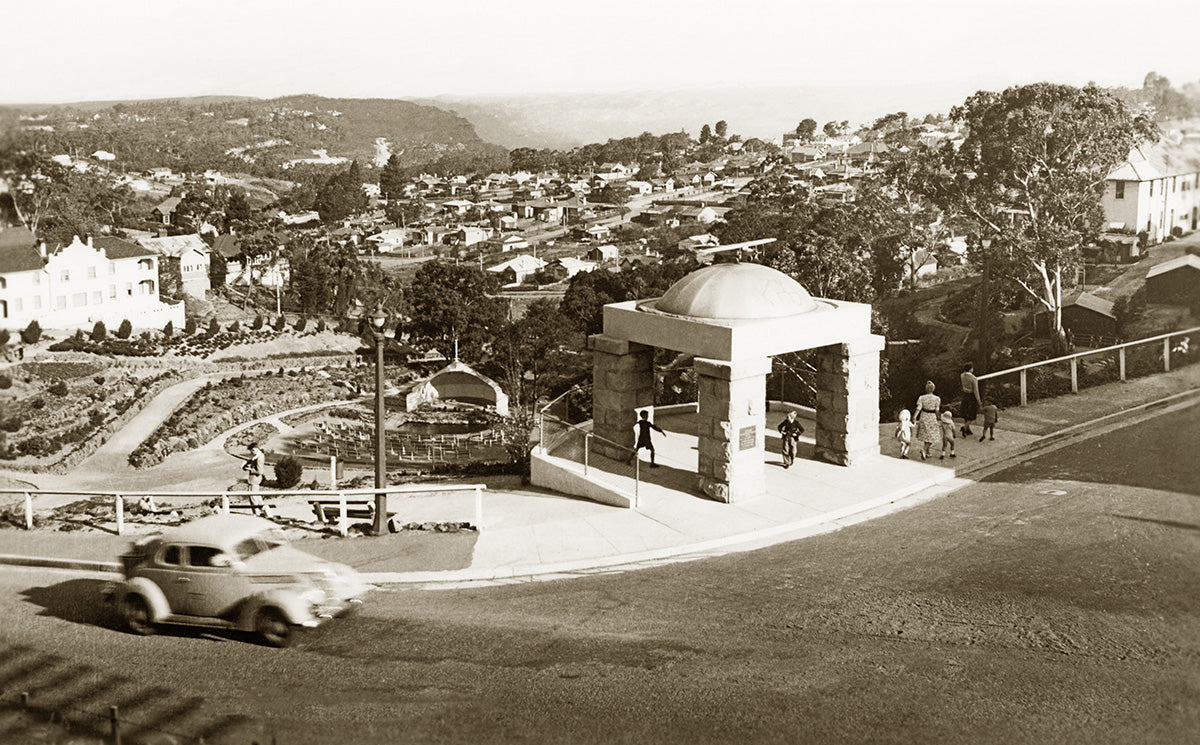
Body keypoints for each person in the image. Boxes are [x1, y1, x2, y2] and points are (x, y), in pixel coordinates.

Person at [914, 381, 941, 460]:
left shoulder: (921, 397)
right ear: (933, 389)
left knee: (926, 435)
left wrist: (914, 417)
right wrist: (938, 417)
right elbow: (937, 410)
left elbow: (918, 408)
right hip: (932, 417)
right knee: (932, 435)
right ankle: (924, 450)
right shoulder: (937, 399)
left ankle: (927, 452)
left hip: (924, 416)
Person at [243, 443, 267, 515]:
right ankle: (265, 512)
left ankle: (256, 514)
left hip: (254, 480)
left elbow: (260, 471)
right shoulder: (258, 456)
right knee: (258, 498)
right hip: (254, 480)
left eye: (251, 451)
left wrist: (250, 469)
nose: (251, 453)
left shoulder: (259, 457)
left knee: (253, 498)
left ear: (254, 449)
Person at [959, 362, 981, 437]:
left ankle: (967, 428)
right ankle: (965, 428)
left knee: (966, 413)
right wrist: (978, 400)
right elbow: (976, 391)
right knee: (971, 415)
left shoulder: (962, 375)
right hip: (971, 396)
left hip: (965, 395)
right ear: (970, 369)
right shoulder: (973, 378)